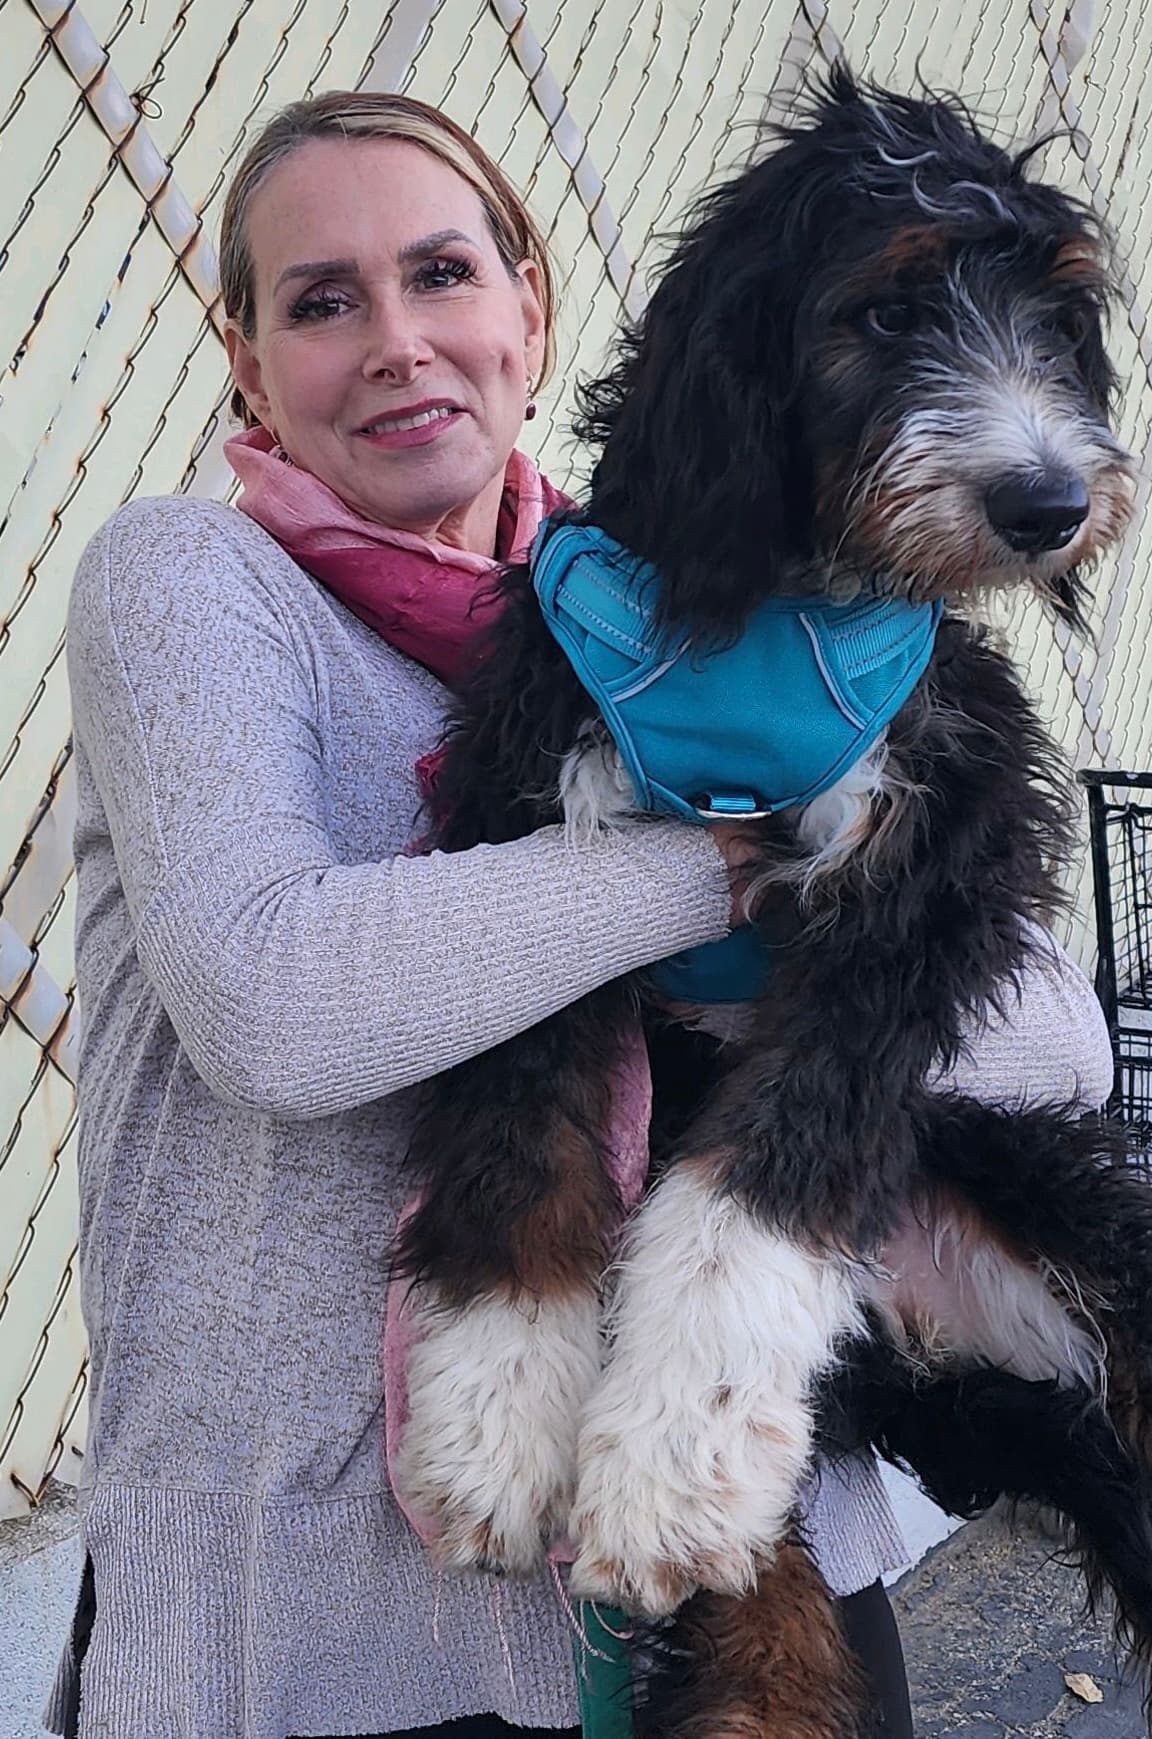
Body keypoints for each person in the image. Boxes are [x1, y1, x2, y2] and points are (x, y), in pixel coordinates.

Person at [49, 90, 1114, 1739]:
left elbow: (1051, 1036)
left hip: (738, 1521)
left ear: (529, 312)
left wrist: (876, 864)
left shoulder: (752, 621)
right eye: (321, 301)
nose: (399, 341)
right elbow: (279, 1000)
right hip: (322, 1617)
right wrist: (756, 856)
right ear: (249, 364)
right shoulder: (189, 583)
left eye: (442, 274)